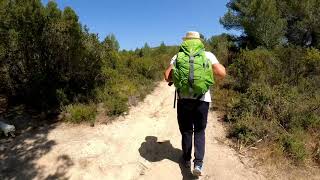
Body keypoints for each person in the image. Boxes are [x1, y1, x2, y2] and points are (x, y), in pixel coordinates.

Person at [164, 31, 226, 176]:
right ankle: (198, 164)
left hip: (183, 100)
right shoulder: (207, 55)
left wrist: (176, 78)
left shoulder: (178, 56)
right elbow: (222, 73)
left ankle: (186, 159)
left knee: (186, 130)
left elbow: (167, 77)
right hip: (202, 100)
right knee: (199, 131)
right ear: (199, 41)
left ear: (185, 41)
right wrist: (207, 73)